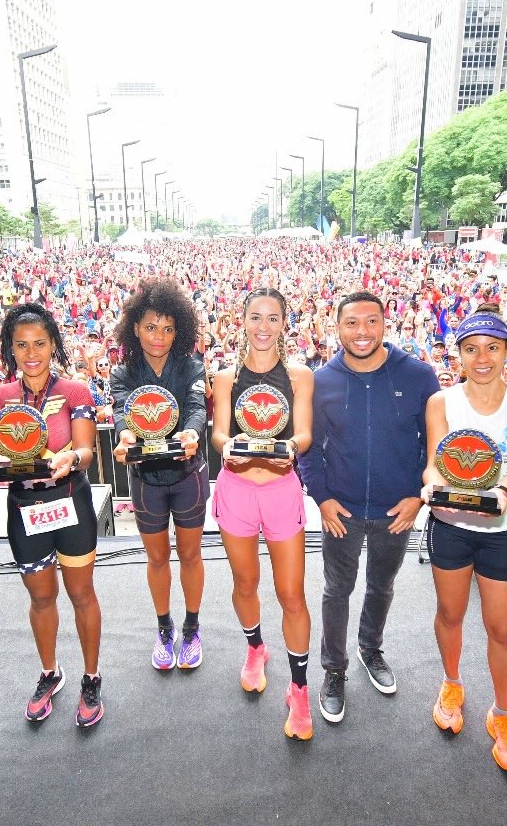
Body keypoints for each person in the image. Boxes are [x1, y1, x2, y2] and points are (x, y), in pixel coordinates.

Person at [298, 291, 439, 725]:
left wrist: (418, 495)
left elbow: (431, 446)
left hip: (396, 511)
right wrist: (321, 497)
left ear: (385, 323)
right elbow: (309, 449)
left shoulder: (418, 375)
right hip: (340, 511)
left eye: (371, 321)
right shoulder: (321, 381)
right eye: (352, 323)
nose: (362, 332)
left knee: (382, 586)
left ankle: (370, 649)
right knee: (336, 590)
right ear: (336, 328)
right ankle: (333, 670)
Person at [420, 307, 507, 772]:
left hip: (503, 531)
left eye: (492, 348)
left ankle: (503, 712)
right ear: (459, 355)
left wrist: (502, 494)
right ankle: (452, 683)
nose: (482, 358)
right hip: (450, 526)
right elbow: (435, 461)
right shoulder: (442, 402)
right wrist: (432, 486)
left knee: (502, 628)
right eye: (471, 349)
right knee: (450, 614)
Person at [0, 303, 105, 728]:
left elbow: (86, 452)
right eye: (21, 345)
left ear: (53, 344)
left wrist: (72, 455)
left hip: (70, 503)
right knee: (41, 598)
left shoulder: (76, 392)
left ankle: (92, 678)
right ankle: (50, 673)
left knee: (82, 594)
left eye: (39, 343)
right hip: (24, 509)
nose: (31, 352)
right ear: (10, 349)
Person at [210, 288, 315, 740]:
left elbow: (305, 434)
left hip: (280, 489)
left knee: (292, 594)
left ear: (284, 323)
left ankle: (300, 688)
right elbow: (218, 435)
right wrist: (227, 449)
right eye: (256, 316)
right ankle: (255, 647)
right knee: (245, 583)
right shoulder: (224, 377)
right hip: (235, 488)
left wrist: (291, 447)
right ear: (243, 320)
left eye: (273, 318)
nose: (264, 326)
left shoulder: (299, 375)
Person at [109, 278, 209, 672]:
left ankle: (193, 627)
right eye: (151, 327)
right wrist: (125, 434)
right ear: (135, 328)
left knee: (190, 554)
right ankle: (164, 627)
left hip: (188, 476)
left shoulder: (192, 366)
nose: (159, 337)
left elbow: (197, 407)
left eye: (168, 328)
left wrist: (191, 432)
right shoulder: (122, 372)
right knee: (157, 558)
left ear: (179, 330)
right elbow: (120, 412)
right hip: (146, 480)